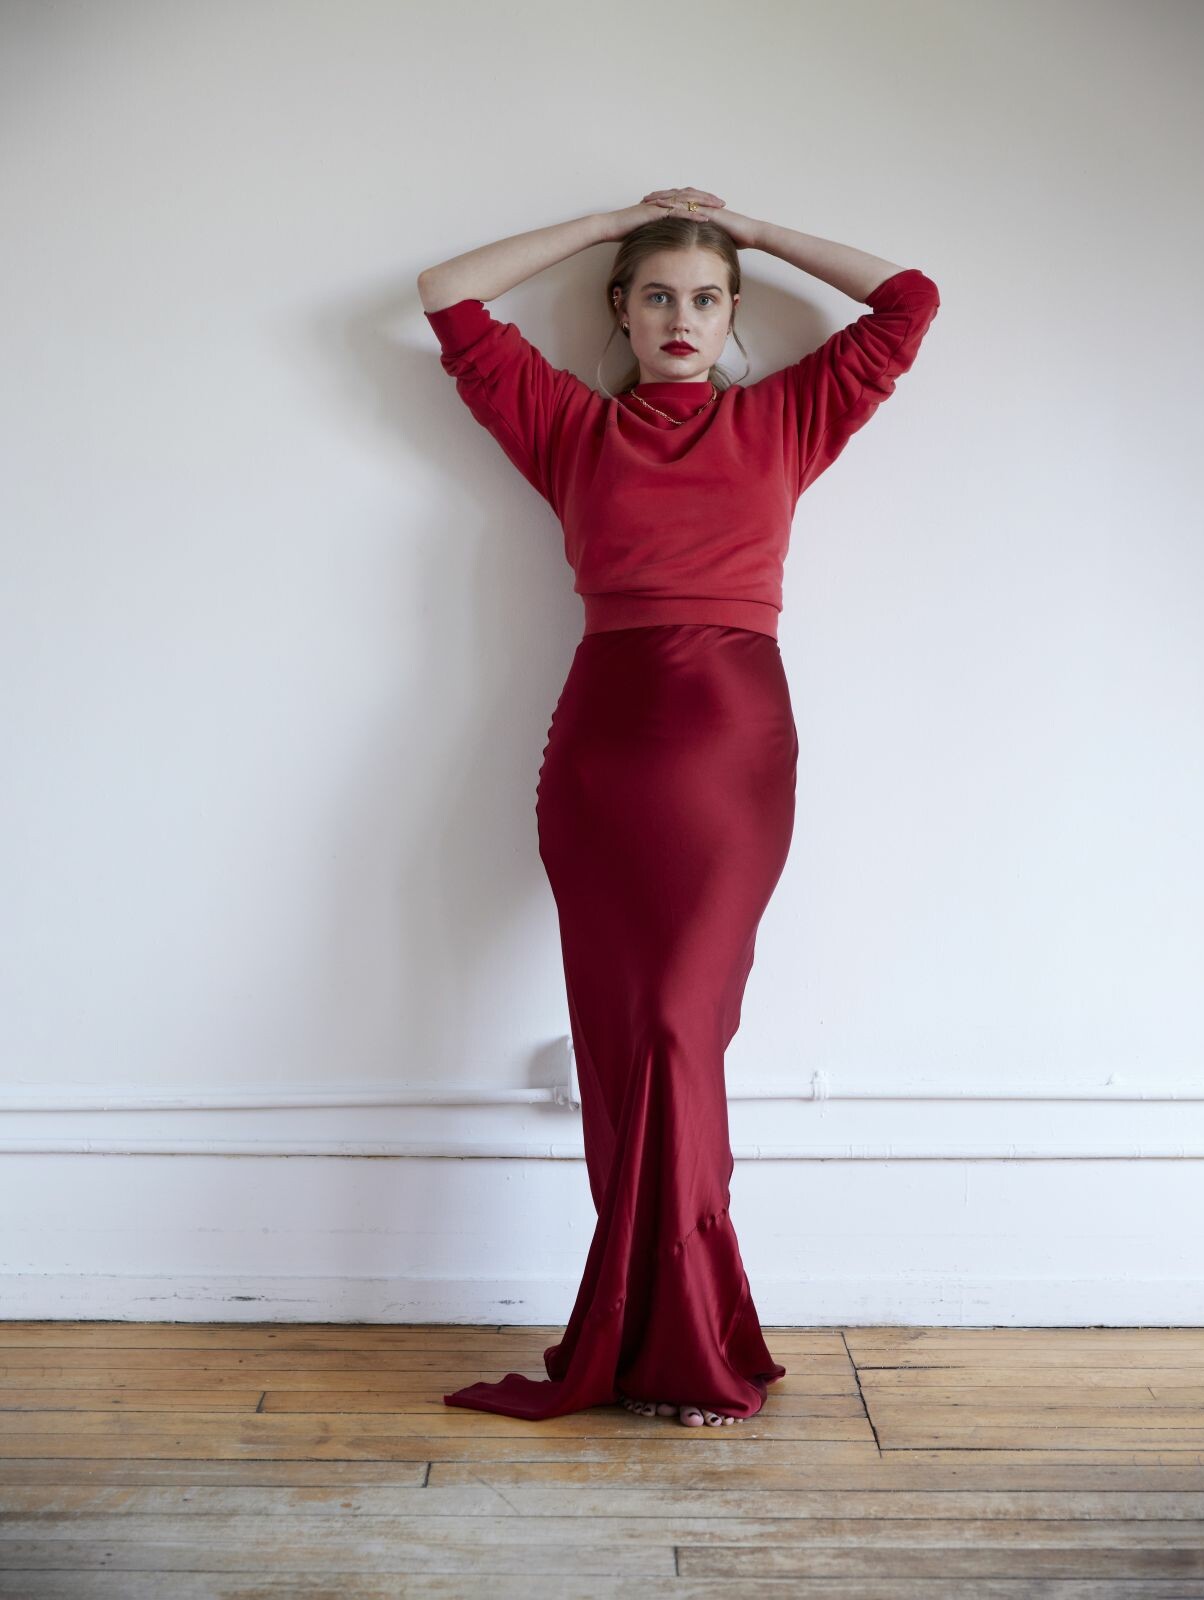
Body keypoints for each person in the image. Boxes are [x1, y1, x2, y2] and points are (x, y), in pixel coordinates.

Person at [419, 188, 940, 1428]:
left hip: (731, 758)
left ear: (730, 311)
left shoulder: (783, 419)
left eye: (705, 299)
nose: (680, 318)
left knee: (676, 1033)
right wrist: (610, 219)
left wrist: (749, 229)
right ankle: (663, 1333)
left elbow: (908, 301)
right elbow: (447, 296)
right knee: (624, 1050)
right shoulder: (570, 428)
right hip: (600, 760)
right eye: (656, 295)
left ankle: (683, 1335)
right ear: (620, 308)